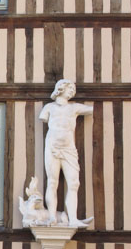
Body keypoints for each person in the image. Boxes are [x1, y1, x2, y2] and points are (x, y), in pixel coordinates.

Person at [39, 79, 93, 227]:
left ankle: (73, 219)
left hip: (69, 148)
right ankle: (52, 217)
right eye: (70, 88)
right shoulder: (49, 108)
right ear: (60, 88)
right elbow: (43, 118)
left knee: (74, 183)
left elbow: (91, 109)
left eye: (73, 90)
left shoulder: (74, 108)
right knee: (52, 182)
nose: (72, 91)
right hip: (52, 147)